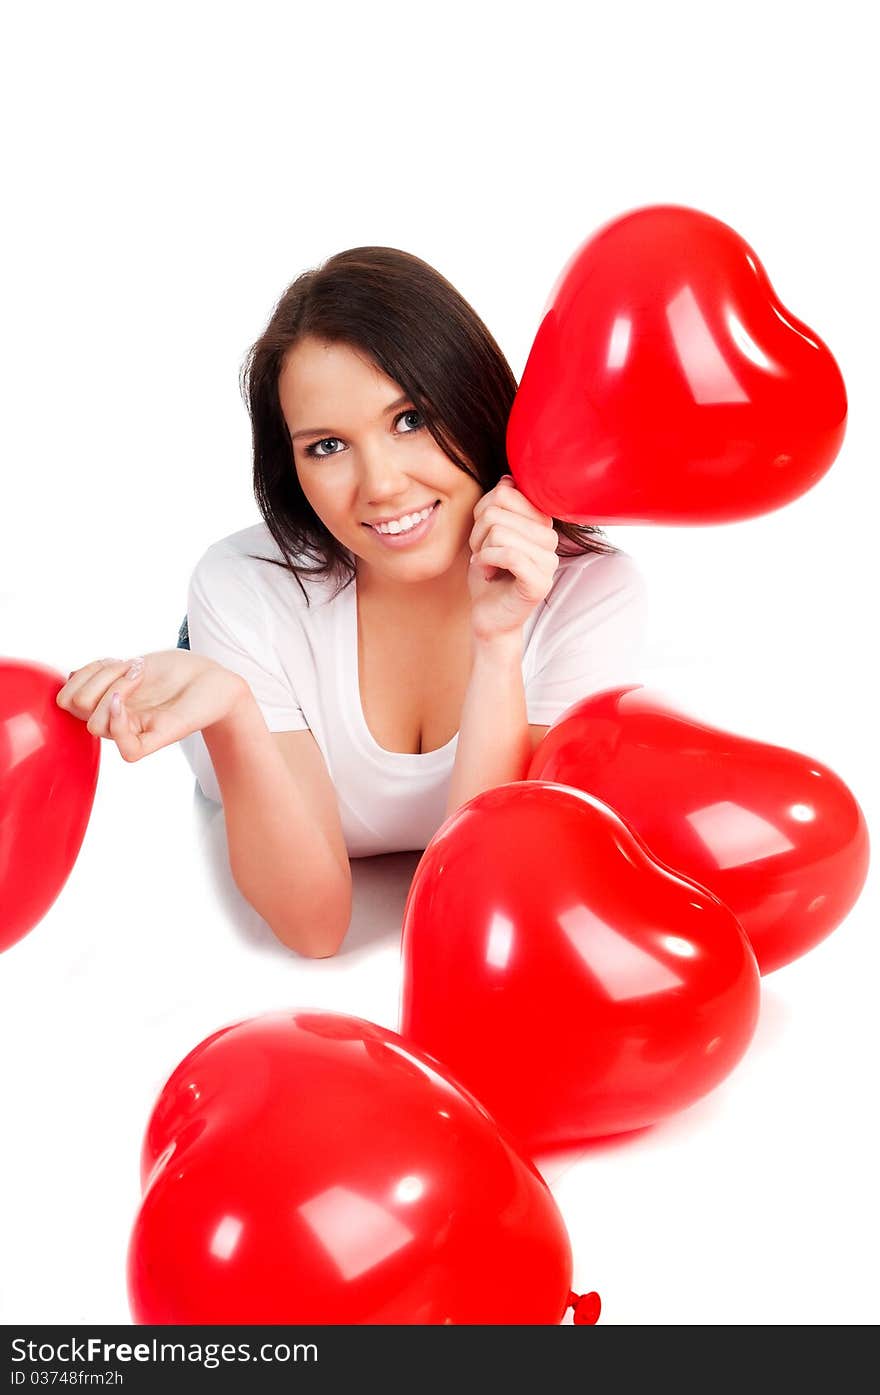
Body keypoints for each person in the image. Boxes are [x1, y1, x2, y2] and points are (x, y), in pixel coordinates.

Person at [56, 247, 647, 958]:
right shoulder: (245, 588)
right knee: (226, 656)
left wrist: (497, 641)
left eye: (410, 419)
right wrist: (237, 706)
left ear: (475, 397)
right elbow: (315, 927)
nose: (382, 486)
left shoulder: (589, 588)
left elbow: (482, 893)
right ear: (291, 465)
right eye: (328, 445)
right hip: (266, 629)